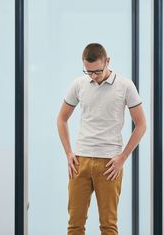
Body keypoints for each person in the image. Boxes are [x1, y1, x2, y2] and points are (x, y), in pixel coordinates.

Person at [57, 43, 147, 235]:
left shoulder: (125, 86)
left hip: (109, 164)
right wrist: (68, 153)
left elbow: (141, 125)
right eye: (88, 72)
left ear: (108, 61)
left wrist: (122, 158)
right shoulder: (79, 84)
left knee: (108, 226)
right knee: (74, 225)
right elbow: (61, 118)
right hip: (79, 162)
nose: (93, 76)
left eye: (97, 71)